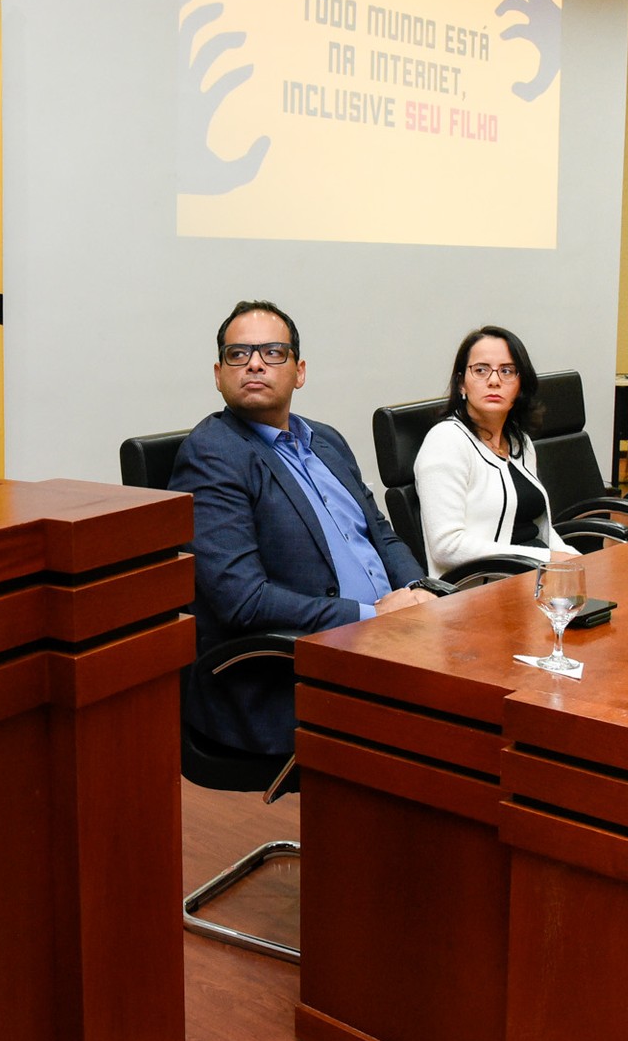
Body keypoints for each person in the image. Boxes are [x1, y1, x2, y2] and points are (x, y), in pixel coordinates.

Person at [170, 300, 435, 754]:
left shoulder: (326, 440)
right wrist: (372, 617)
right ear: (218, 375)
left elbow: (381, 534)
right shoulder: (212, 454)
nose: (254, 362)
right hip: (287, 669)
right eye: (238, 354)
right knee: (457, 727)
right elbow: (244, 602)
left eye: (273, 352)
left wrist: (419, 591)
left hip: (387, 636)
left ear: (299, 371)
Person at [413, 326, 578, 578]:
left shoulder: (519, 441)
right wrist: (547, 558)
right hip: (480, 590)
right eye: (480, 370)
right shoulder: (446, 441)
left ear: (520, 385)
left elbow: (537, 529)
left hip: (532, 578)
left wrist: (573, 558)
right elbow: (446, 547)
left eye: (507, 371)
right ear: (461, 384)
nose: (493, 380)